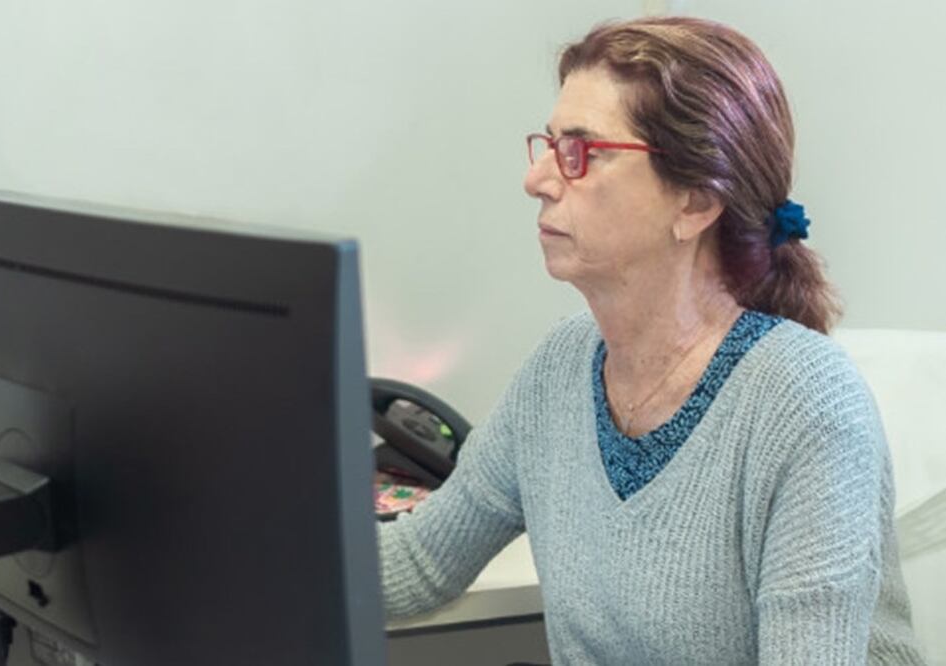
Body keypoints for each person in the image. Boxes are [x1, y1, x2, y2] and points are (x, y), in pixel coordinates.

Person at [377, 16, 926, 665]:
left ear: (694, 201)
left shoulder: (804, 405)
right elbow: (417, 563)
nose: (538, 179)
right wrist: (244, 535)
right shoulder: (560, 369)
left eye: (581, 152)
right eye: (548, 145)